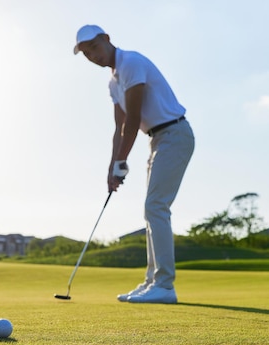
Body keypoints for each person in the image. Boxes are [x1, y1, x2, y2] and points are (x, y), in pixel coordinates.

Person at [73, 25, 194, 304]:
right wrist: (112, 167)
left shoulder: (132, 63)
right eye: (86, 52)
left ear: (107, 39)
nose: (91, 55)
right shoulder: (113, 82)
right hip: (158, 139)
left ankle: (164, 284)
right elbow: (119, 127)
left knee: (156, 206)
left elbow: (133, 118)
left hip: (174, 134)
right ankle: (153, 281)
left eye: (94, 47)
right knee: (152, 210)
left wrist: (122, 162)